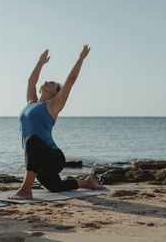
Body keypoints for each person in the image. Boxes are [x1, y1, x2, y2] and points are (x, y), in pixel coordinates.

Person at [9, 45, 105, 200]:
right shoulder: (30, 102)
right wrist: (40, 63)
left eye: (52, 82)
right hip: (38, 160)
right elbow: (31, 82)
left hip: (53, 158)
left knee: (32, 140)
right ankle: (87, 182)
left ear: (56, 92)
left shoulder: (53, 106)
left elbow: (71, 80)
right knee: (56, 187)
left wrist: (80, 58)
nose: (46, 81)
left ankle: (26, 190)